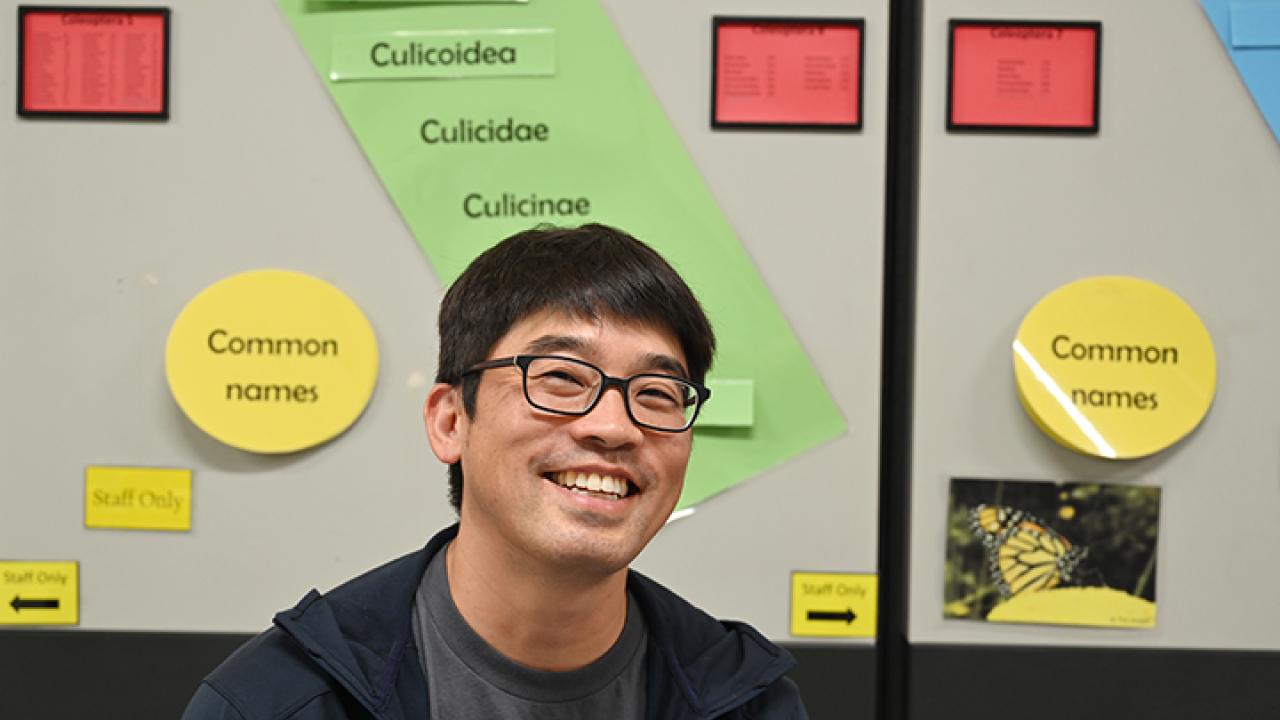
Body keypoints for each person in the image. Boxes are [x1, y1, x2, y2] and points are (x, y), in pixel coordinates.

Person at [182, 224, 807, 719]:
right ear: (451, 421)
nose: (615, 427)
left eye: (657, 393)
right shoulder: (282, 702)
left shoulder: (746, 702)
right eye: (561, 378)